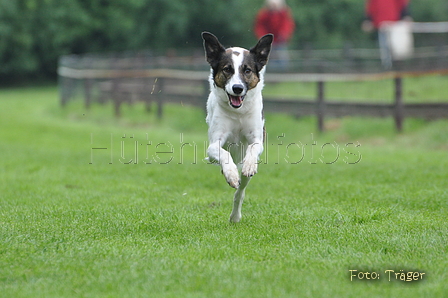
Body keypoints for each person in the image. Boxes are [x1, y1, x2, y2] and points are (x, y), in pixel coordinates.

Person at [362, 0, 412, 69]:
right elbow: (371, 6)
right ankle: (389, 68)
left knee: (397, 51)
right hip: (382, 26)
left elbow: (402, 4)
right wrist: (368, 20)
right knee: (386, 51)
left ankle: (398, 69)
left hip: (395, 25)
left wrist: (405, 15)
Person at [254, 0, 295, 70]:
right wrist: (264, 37)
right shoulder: (263, 14)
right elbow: (259, 26)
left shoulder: (284, 13)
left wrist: (284, 34)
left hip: (280, 40)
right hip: (268, 41)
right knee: (268, 59)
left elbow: (288, 25)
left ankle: (283, 74)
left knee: (282, 59)